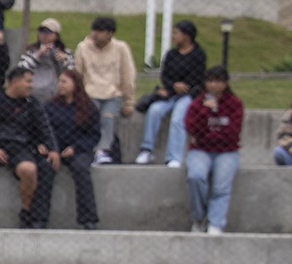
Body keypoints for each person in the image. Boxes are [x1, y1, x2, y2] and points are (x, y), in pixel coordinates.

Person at [0, 63, 55, 228]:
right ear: (15, 82)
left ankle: (26, 213)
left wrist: (52, 149)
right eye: (28, 81)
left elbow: (44, 127)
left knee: (29, 170)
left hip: (20, 147)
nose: (31, 85)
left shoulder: (32, 103)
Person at [136, 20, 206, 166]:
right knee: (154, 111)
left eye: (176, 33)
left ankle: (174, 157)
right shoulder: (171, 54)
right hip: (170, 93)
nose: (174, 36)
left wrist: (184, 87)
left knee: (178, 118)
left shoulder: (198, 54)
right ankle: (147, 150)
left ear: (187, 36)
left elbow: (199, 78)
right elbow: (165, 76)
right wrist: (173, 85)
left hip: (188, 95)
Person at [184, 67, 243, 235]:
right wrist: (206, 111)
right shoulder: (197, 104)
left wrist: (208, 136)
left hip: (227, 151)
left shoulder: (235, 104)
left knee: (221, 187)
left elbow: (233, 133)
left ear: (225, 83)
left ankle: (216, 223)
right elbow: (192, 128)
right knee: (196, 177)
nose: (213, 85)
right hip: (200, 150)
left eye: (217, 81)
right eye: (210, 81)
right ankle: (198, 218)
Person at [45, 69, 102, 229]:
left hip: (79, 151)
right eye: (59, 81)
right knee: (45, 168)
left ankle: (88, 219)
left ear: (75, 85)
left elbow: (94, 135)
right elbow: (44, 130)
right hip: (55, 150)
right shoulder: (50, 106)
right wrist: (52, 149)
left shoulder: (88, 107)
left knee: (81, 169)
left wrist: (76, 148)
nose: (60, 85)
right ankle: (39, 218)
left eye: (64, 82)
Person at [74, 17, 136, 164]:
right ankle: (91, 150)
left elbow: (127, 75)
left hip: (112, 94)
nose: (95, 34)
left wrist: (129, 102)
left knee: (108, 118)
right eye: (94, 30)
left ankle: (103, 151)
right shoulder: (83, 47)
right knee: (92, 118)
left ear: (110, 34)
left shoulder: (121, 48)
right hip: (90, 94)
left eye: (100, 31)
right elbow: (78, 74)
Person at [18, 20, 72, 104]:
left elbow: (73, 73)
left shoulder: (65, 53)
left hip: (55, 96)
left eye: (48, 32)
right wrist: (38, 55)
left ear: (56, 35)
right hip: (33, 94)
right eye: (41, 32)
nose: (44, 35)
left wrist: (65, 60)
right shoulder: (31, 51)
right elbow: (21, 68)